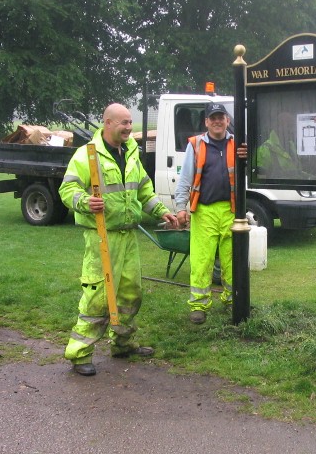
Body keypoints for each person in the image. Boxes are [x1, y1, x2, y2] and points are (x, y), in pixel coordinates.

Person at [60, 103, 178, 376]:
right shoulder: (87, 155)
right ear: (107, 123)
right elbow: (67, 188)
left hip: (128, 237)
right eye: (123, 123)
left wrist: (162, 212)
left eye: (129, 122)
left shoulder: (132, 153)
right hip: (102, 237)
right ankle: (79, 354)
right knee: (98, 298)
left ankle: (122, 344)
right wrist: (84, 202)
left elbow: (144, 191)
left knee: (129, 293)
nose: (128, 127)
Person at [174, 102, 247, 324]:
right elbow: (185, 178)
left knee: (233, 260)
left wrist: (247, 154)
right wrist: (180, 208)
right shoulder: (195, 145)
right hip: (204, 211)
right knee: (202, 261)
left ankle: (233, 299)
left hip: (231, 211)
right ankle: (198, 305)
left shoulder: (238, 145)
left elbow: (253, 167)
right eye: (212, 118)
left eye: (221, 117)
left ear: (227, 120)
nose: (217, 121)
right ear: (206, 122)